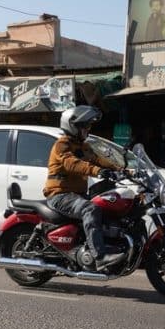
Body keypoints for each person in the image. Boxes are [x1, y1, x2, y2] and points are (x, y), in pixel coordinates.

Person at [43, 105, 122, 270]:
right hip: (60, 195)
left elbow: (97, 160)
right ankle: (99, 256)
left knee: (106, 202)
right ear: (73, 126)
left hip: (75, 194)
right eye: (84, 125)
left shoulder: (83, 146)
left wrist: (121, 169)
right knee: (90, 209)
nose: (88, 128)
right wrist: (98, 171)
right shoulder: (62, 145)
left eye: (88, 125)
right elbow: (72, 164)